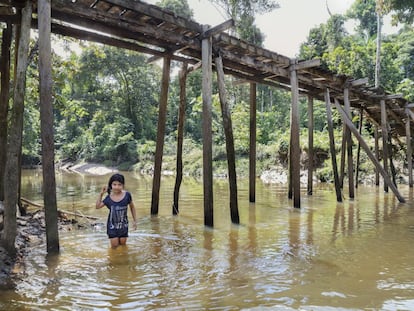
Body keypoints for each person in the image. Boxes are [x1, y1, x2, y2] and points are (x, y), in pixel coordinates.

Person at [96, 173, 137, 248]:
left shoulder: (127, 195)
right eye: (114, 184)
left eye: (119, 184)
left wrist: (135, 221)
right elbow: (98, 206)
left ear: (123, 185)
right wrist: (101, 194)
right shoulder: (109, 198)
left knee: (123, 245)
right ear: (111, 185)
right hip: (112, 227)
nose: (117, 187)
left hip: (123, 225)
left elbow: (132, 207)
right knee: (114, 246)